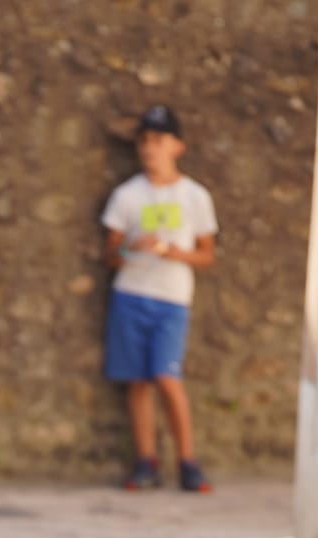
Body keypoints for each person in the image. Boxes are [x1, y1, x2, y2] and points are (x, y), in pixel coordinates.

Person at [101, 104, 218, 492]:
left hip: (173, 299)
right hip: (132, 294)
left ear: (177, 146)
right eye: (144, 141)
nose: (150, 149)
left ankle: (188, 462)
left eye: (158, 140)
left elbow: (206, 254)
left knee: (168, 378)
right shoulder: (127, 196)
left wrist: (171, 251)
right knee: (137, 382)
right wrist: (133, 248)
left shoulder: (195, 196)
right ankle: (145, 462)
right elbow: (110, 255)